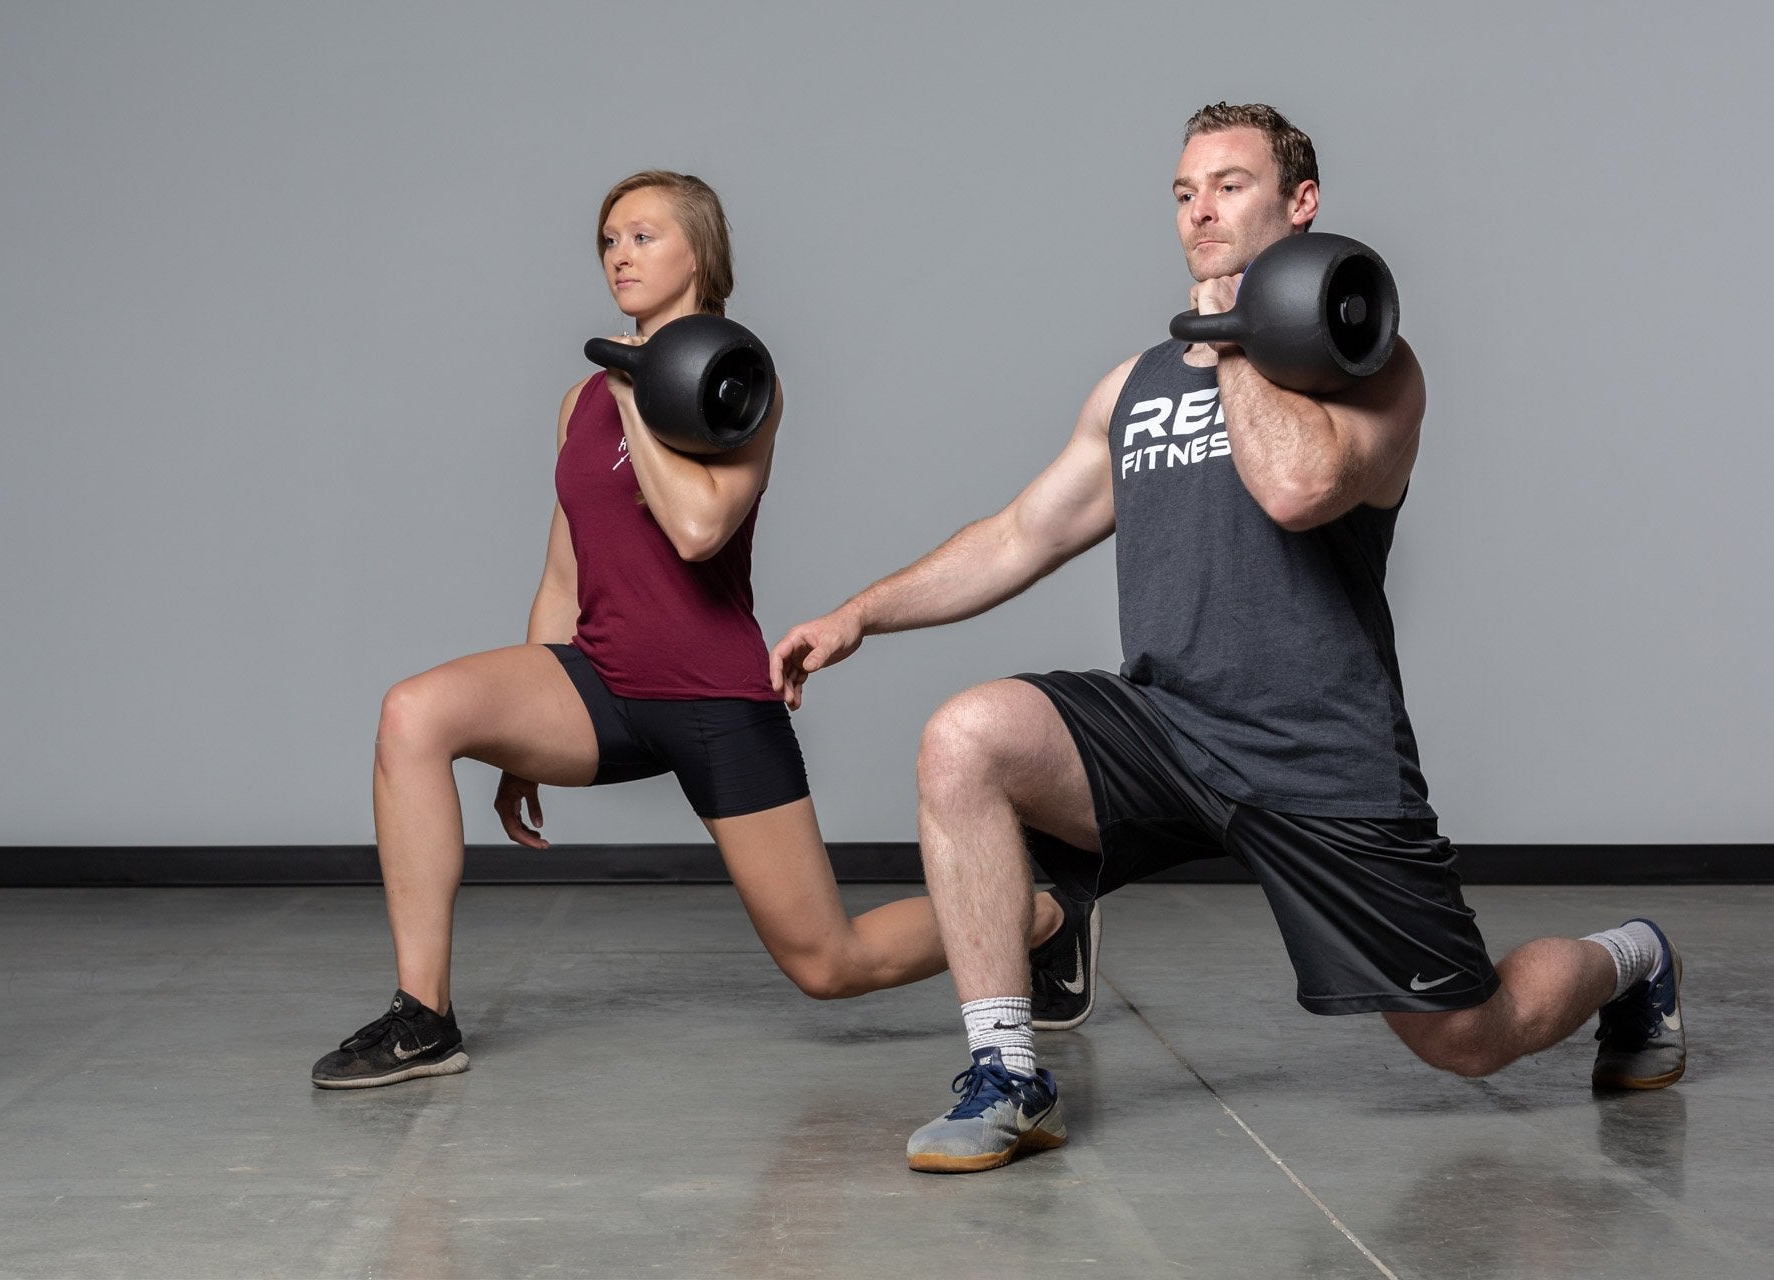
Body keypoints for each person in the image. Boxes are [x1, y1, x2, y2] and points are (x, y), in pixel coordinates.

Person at [769, 104, 1686, 1173]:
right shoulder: (1133, 387)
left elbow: (1298, 488)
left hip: (1317, 755)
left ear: (1301, 205)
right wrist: (863, 611)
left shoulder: (1374, 366)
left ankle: (1637, 959)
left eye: (1230, 185)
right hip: (1166, 725)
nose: (1199, 211)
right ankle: (1008, 1073)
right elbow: (1023, 533)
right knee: (965, 736)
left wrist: (1231, 342)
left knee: (1471, 1038)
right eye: (1183, 192)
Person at [311, 170, 1076, 1089]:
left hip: (714, 698)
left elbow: (699, 528)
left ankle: (1046, 918)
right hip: (600, 682)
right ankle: (425, 1018)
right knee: (413, 712)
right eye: (609, 239)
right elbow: (564, 574)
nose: (620, 256)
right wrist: (515, 745)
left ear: (699, 255)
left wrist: (637, 389)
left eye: (644, 236)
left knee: (830, 965)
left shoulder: (738, 380)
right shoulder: (579, 402)